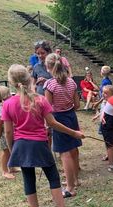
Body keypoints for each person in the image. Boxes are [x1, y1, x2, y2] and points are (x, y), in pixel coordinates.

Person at [2, 64, 84, 207]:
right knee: (53, 177)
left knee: (28, 179)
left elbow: (8, 132)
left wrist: (13, 150)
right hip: (39, 144)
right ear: (29, 79)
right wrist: (74, 133)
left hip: (20, 146)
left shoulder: (8, 104)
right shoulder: (40, 100)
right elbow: (52, 123)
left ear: (11, 82)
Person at [44, 53, 82, 198]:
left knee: (64, 153)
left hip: (58, 119)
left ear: (48, 68)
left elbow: (47, 107)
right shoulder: (72, 82)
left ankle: (70, 187)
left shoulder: (50, 85)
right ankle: (76, 180)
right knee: (73, 149)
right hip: (71, 116)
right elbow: (77, 105)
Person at [0, 86, 17, 179]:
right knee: (6, 152)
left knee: (11, 150)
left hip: (10, 131)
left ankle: (11, 167)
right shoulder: (2, 107)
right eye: (9, 94)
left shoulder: (7, 104)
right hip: (4, 133)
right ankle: (4, 170)